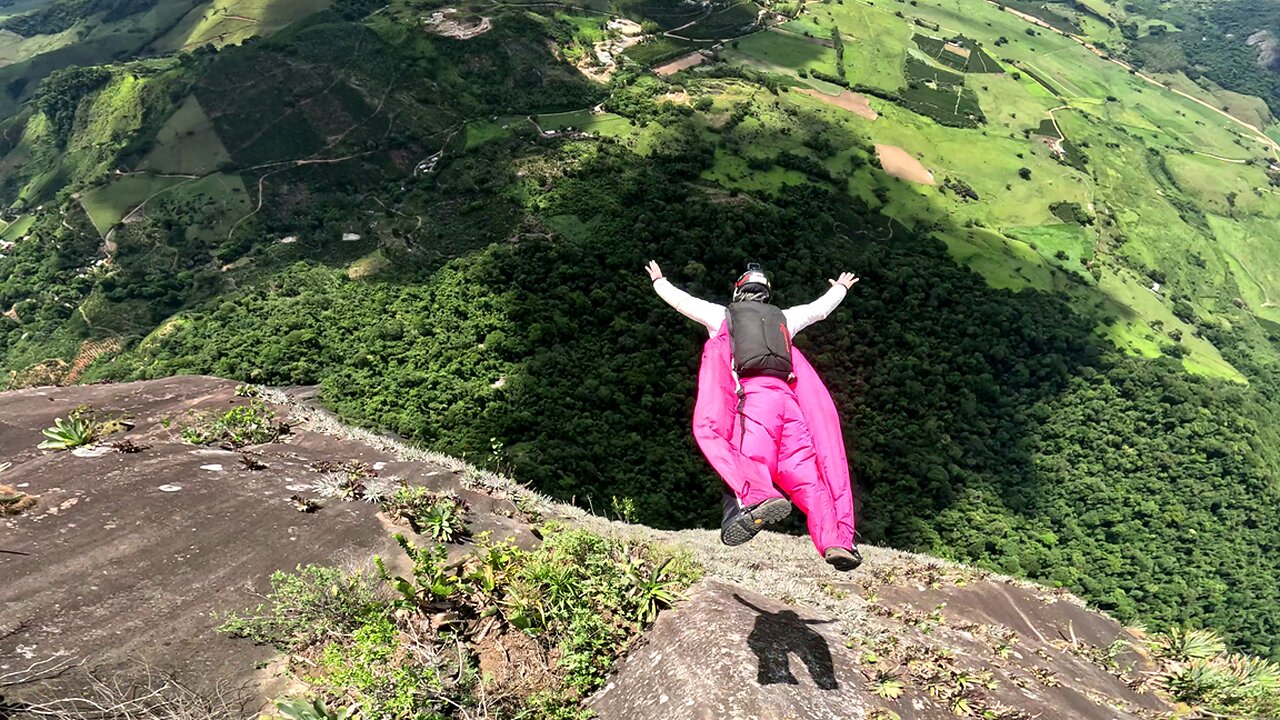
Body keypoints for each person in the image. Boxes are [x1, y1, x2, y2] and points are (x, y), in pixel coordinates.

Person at [646, 260, 862, 571]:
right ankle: (835, 542)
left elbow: (683, 302)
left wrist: (659, 281)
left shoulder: (723, 316)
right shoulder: (784, 318)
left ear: (739, 291)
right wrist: (840, 287)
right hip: (790, 405)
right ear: (765, 295)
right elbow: (819, 310)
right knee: (806, 477)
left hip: (755, 400)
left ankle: (755, 501)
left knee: (747, 461)